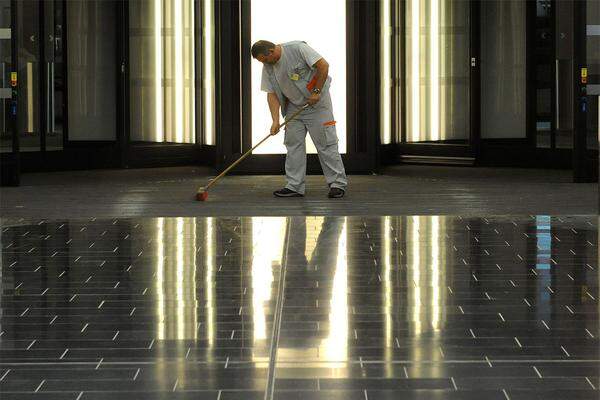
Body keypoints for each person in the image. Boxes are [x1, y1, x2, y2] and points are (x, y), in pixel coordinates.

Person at [251, 40, 348, 198]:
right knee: (293, 144)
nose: (265, 64)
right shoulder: (267, 66)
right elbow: (271, 93)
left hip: (317, 104)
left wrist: (316, 92)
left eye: (265, 59)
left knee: (326, 143)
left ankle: (337, 184)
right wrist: (275, 120)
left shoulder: (298, 49)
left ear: (271, 51)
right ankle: (294, 185)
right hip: (294, 107)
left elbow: (324, 65)